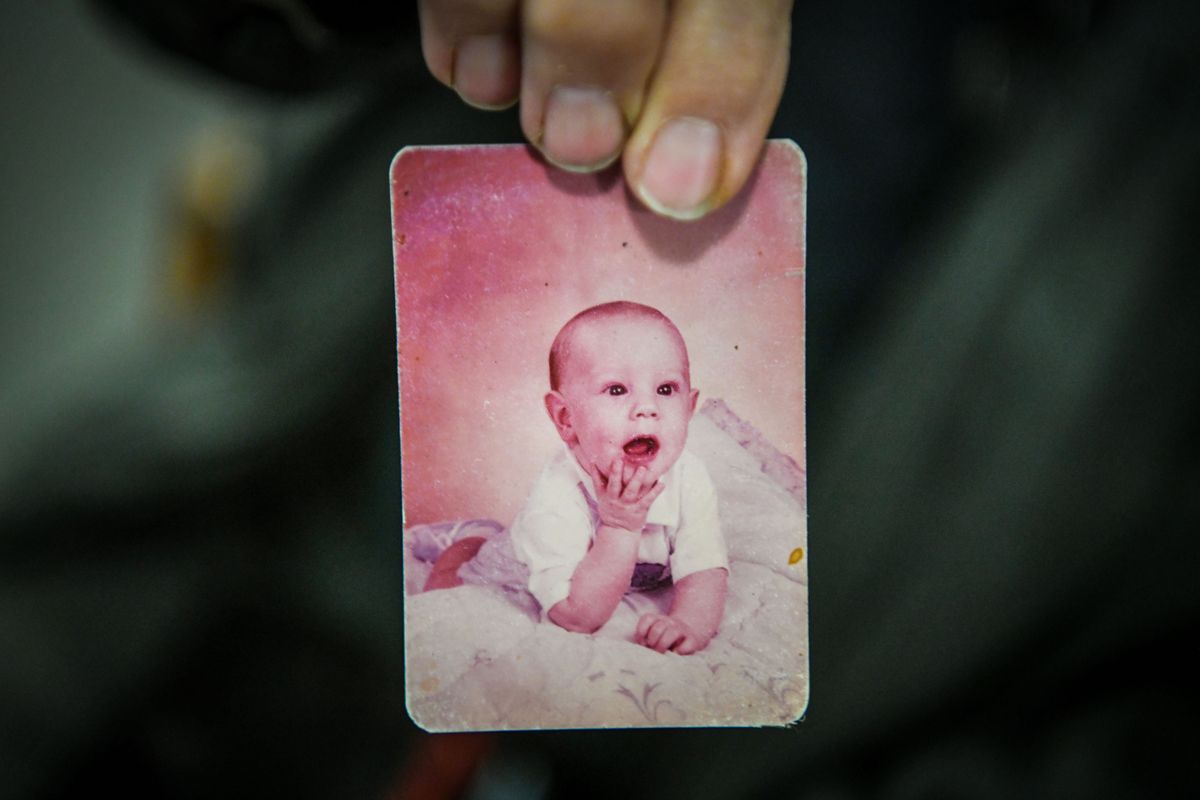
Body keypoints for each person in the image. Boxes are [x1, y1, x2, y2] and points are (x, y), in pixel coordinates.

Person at [422, 301, 729, 655]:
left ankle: (481, 532)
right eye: (617, 390)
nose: (648, 407)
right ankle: (465, 544)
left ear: (689, 410)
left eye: (665, 389)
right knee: (449, 591)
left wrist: (689, 623)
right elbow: (577, 617)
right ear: (566, 418)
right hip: (519, 574)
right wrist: (620, 526)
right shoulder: (557, 493)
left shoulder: (689, 475)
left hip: (611, 581)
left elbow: (705, 567)